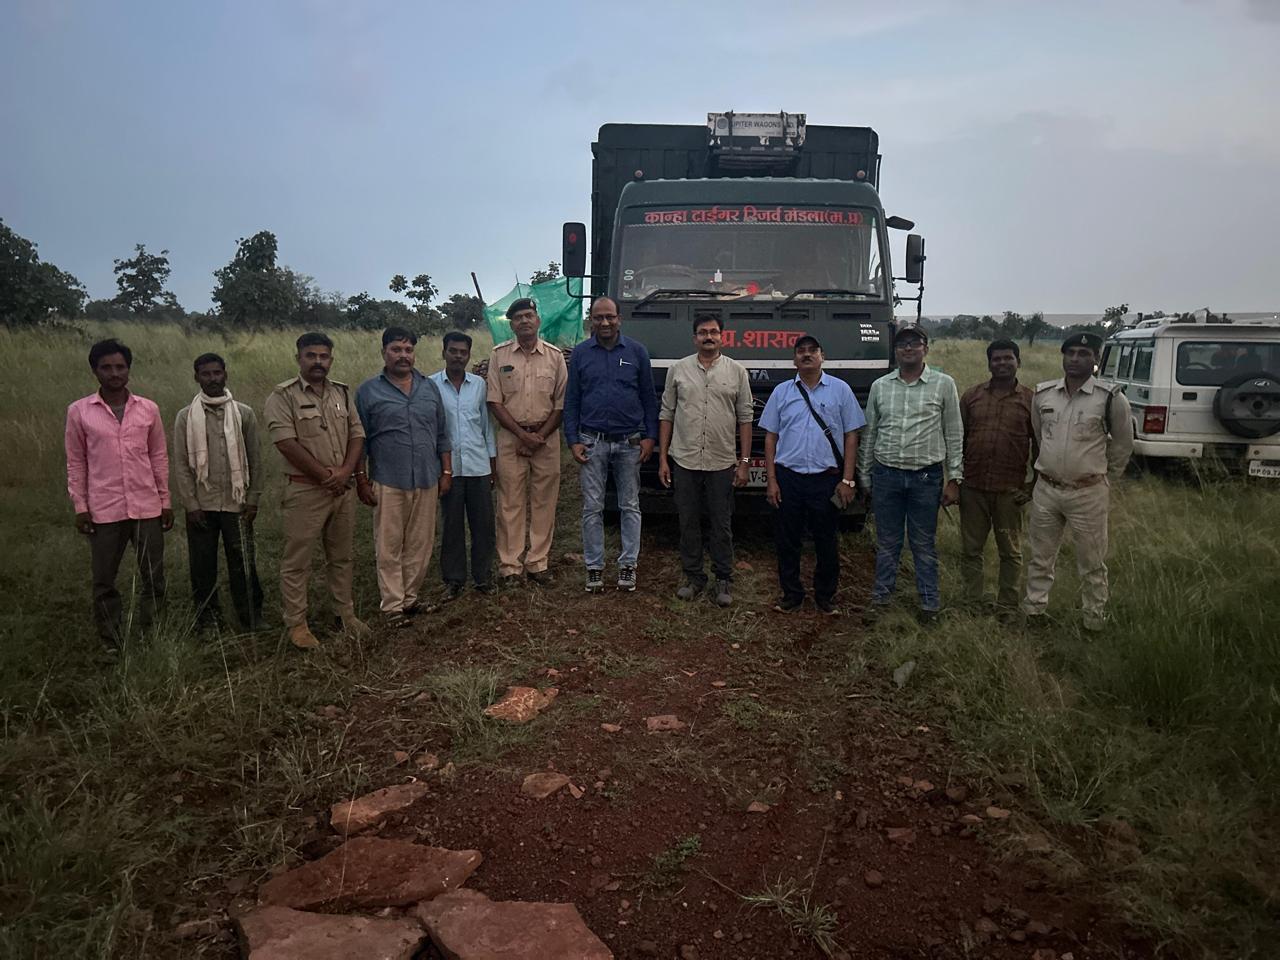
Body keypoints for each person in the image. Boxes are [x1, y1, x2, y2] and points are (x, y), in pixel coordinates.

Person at [65, 339, 173, 649]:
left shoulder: (148, 409)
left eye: (120, 367)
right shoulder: (79, 412)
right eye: (106, 367)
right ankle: (111, 641)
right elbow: (76, 461)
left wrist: (164, 501)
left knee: (153, 577)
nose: (114, 373)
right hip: (104, 509)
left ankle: (153, 635)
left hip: (146, 507)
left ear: (128, 369)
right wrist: (80, 506)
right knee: (104, 580)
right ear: (95, 370)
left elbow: (158, 456)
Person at [1022, 332, 1133, 632]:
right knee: (1040, 557)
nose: (1075, 358)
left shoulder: (1110, 398)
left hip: (1088, 492)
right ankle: (1034, 612)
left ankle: (1093, 621)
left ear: (1096, 358)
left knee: (1093, 562)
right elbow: (1038, 433)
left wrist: (1106, 479)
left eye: (1084, 353)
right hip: (1046, 488)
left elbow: (1123, 445)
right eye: (1070, 352)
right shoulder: (1043, 395)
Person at [264, 332, 369, 649]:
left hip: (342, 489)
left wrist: (346, 472)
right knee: (298, 561)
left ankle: (345, 615)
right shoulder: (282, 397)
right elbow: (286, 443)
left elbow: (357, 434)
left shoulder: (341, 394)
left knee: (342, 557)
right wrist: (326, 476)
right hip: (306, 491)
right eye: (311, 356)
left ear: (331, 360)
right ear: (299, 358)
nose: (318, 362)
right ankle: (297, 624)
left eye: (323, 356)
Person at [856, 325, 963, 624]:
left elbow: (954, 434)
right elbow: (871, 433)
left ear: (925, 348)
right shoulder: (881, 386)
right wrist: (864, 477)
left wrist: (954, 479)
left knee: (923, 542)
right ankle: (881, 600)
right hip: (886, 475)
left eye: (914, 343)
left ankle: (929, 605)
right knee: (888, 542)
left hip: (925, 479)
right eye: (902, 344)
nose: (908, 348)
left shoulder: (944, 385)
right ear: (895, 350)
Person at [760, 336, 865, 614]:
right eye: (801, 351)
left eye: (812, 351)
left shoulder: (840, 390)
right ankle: (791, 594)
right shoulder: (782, 392)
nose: (806, 355)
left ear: (822, 356)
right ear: (794, 359)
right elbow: (770, 438)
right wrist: (771, 480)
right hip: (788, 478)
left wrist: (847, 479)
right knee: (787, 540)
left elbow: (851, 436)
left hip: (826, 479)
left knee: (826, 540)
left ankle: (825, 596)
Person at [355, 327, 452, 627]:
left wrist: (446, 472)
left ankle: (410, 599)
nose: (403, 355)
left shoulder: (428, 387)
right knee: (389, 545)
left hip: (427, 477)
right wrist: (361, 478)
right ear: (384, 352)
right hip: (388, 479)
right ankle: (392, 606)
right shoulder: (369, 391)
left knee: (420, 543)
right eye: (396, 349)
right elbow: (359, 440)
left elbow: (441, 434)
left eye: (408, 350)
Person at [657, 315, 754, 606]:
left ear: (723, 337)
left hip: (721, 462)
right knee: (687, 522)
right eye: (702, 332)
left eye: (713, 332)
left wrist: (745, 461)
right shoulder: (677, 370)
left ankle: (723, 578)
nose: (708, 337)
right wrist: (663, 458)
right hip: (684, 460)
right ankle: (693, 576)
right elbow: (667, 414)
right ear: (694, 338)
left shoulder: (737, 372)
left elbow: (745, 419)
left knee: (721, 523)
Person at [564, 297, 658, 593]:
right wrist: (572, 440)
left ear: (620, 319)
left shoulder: (637, 352)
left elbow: (648, 398)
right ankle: (594, 567)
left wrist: (649, 437)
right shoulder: (580, 354)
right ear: (590, 320)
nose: (604, 323)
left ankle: (628, 564)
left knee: (630, 505)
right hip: (591, 442)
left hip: (630, 442)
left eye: (610, 317)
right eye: (598, 318)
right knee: (592, 507)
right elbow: (572, 401)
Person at [173, 352, 264, 630]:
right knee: (203, 566)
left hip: (237, 503)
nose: (212, 379)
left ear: (225, 374)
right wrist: (191, 505)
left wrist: (252, 500)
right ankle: (208, 621)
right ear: (196, 377)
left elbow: (256, 460)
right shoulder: (186, 417)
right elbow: (181, 465)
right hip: (202, 504)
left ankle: (251, 617)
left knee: (243, 563)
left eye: (217, 373)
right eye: (206, 374)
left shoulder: (243, 413)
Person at [486, 298, 568, 585]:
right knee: (510, 501)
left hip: (547, 437)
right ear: (511, 324)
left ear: (538, 320)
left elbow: (561, 404)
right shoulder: (499, 356)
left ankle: (537, 563)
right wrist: (523, 436)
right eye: (518, 317)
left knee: (545, 500)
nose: (524, 321)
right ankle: (510, 566)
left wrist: (539, 437)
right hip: (511, 438)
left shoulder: (555, 357)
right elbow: (494, 401)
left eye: (529, 315)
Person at [958, 339, 1035, 618]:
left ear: (1018, 362)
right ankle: (972, 602)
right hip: (973, 487)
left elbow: (1039, 446)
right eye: (996, 359)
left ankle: (1007, 605)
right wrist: (955, 479)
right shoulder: (971, 397)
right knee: (970, 550)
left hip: (1009, 491)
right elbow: (958, 440)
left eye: (1008, 358)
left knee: (1010, 552)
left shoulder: (1030, 400)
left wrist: (1032, 485)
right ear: (989, 363)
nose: (1002, 363)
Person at [429, 331, 496, 600]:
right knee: (452, 525)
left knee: (483, 525)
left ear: (469, 355)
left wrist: (493, 465)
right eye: (453, 351)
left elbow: (486, 426)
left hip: (479, 466)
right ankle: (454, 580)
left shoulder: (479, 385)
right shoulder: (431, 385)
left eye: (463, 352)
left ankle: (483, 577)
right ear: (443, 352)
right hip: (449, 470)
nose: (458, 356)